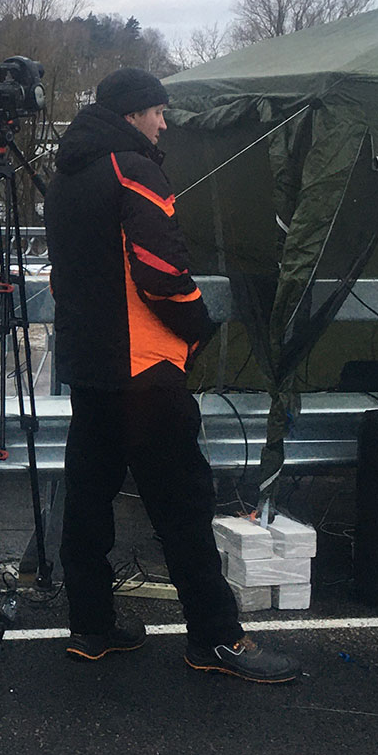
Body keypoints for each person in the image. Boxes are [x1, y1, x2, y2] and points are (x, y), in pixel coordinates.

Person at [42, 67, 298, 684]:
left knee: (87, 501)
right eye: (158, 111)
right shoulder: (134, 169)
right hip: (145, 368)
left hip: (90, 366)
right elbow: (161, 272)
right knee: (183, 507)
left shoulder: (65, 176)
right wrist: (198, 324)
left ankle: (91, 626)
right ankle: (217, 638)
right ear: (133, 113)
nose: (164, 123)